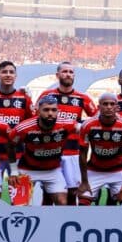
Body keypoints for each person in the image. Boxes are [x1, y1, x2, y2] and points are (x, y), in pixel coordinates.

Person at [38, 62, 97, 205]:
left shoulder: (82, 98)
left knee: (72, 192)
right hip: (51, 151)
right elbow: (36, 117)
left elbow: (96, 118)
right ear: (57, 75)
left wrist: (82, 125)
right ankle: (45, 224)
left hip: (73, 153)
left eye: (71, 72)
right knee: (48, 192)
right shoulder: (47, 95)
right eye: (64, 71)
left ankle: (68, 222)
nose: (68, 74)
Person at [8, 95, 80, 206]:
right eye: (46, 110)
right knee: (19, 207)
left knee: (62, 203)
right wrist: (13, 170)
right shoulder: (24, 128)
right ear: (38, 111)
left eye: (54, 110)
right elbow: (10, 145)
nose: (50, 113)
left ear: (58, 111)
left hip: (53, 171)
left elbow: (86, 130)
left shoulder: (68, 124)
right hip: (27, 170)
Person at [77, 93, 122, 206]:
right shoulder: (88, 125)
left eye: (112, 104)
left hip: (117, 171)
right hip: (94, 170)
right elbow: (82, 154)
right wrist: (84, 181)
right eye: (105, 104)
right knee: (83, 201)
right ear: (99, 107)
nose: (108, 107)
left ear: (117, 107)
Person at [0, 61, 34, 177]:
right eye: (4, 72)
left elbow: (32, 123)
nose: (8, 75)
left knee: (18, 193)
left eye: (11, 72)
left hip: (18, 154)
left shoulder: (24, 98)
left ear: (15, 76)